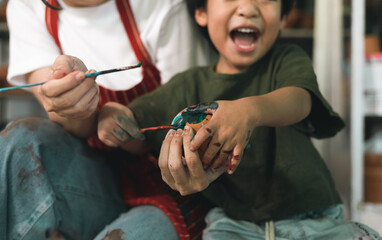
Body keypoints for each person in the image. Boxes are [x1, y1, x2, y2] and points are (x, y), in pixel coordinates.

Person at [96, 0, 382, 239]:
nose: (247, 7)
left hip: (318, 222)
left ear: (284, 17)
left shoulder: (286, 60)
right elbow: (139, 127)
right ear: (201, 12)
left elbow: (300, 100)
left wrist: (249, 111)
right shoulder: (187, 85)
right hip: (233, 226)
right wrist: (113, 118)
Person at [0, 0, 215, 239]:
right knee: (20, 141)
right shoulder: (27, 6)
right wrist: (79, 105)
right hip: (94, 180)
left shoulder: (160, 5)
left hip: (171, 187)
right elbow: (66, 119)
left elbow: (192, 121)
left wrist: (130, 133)